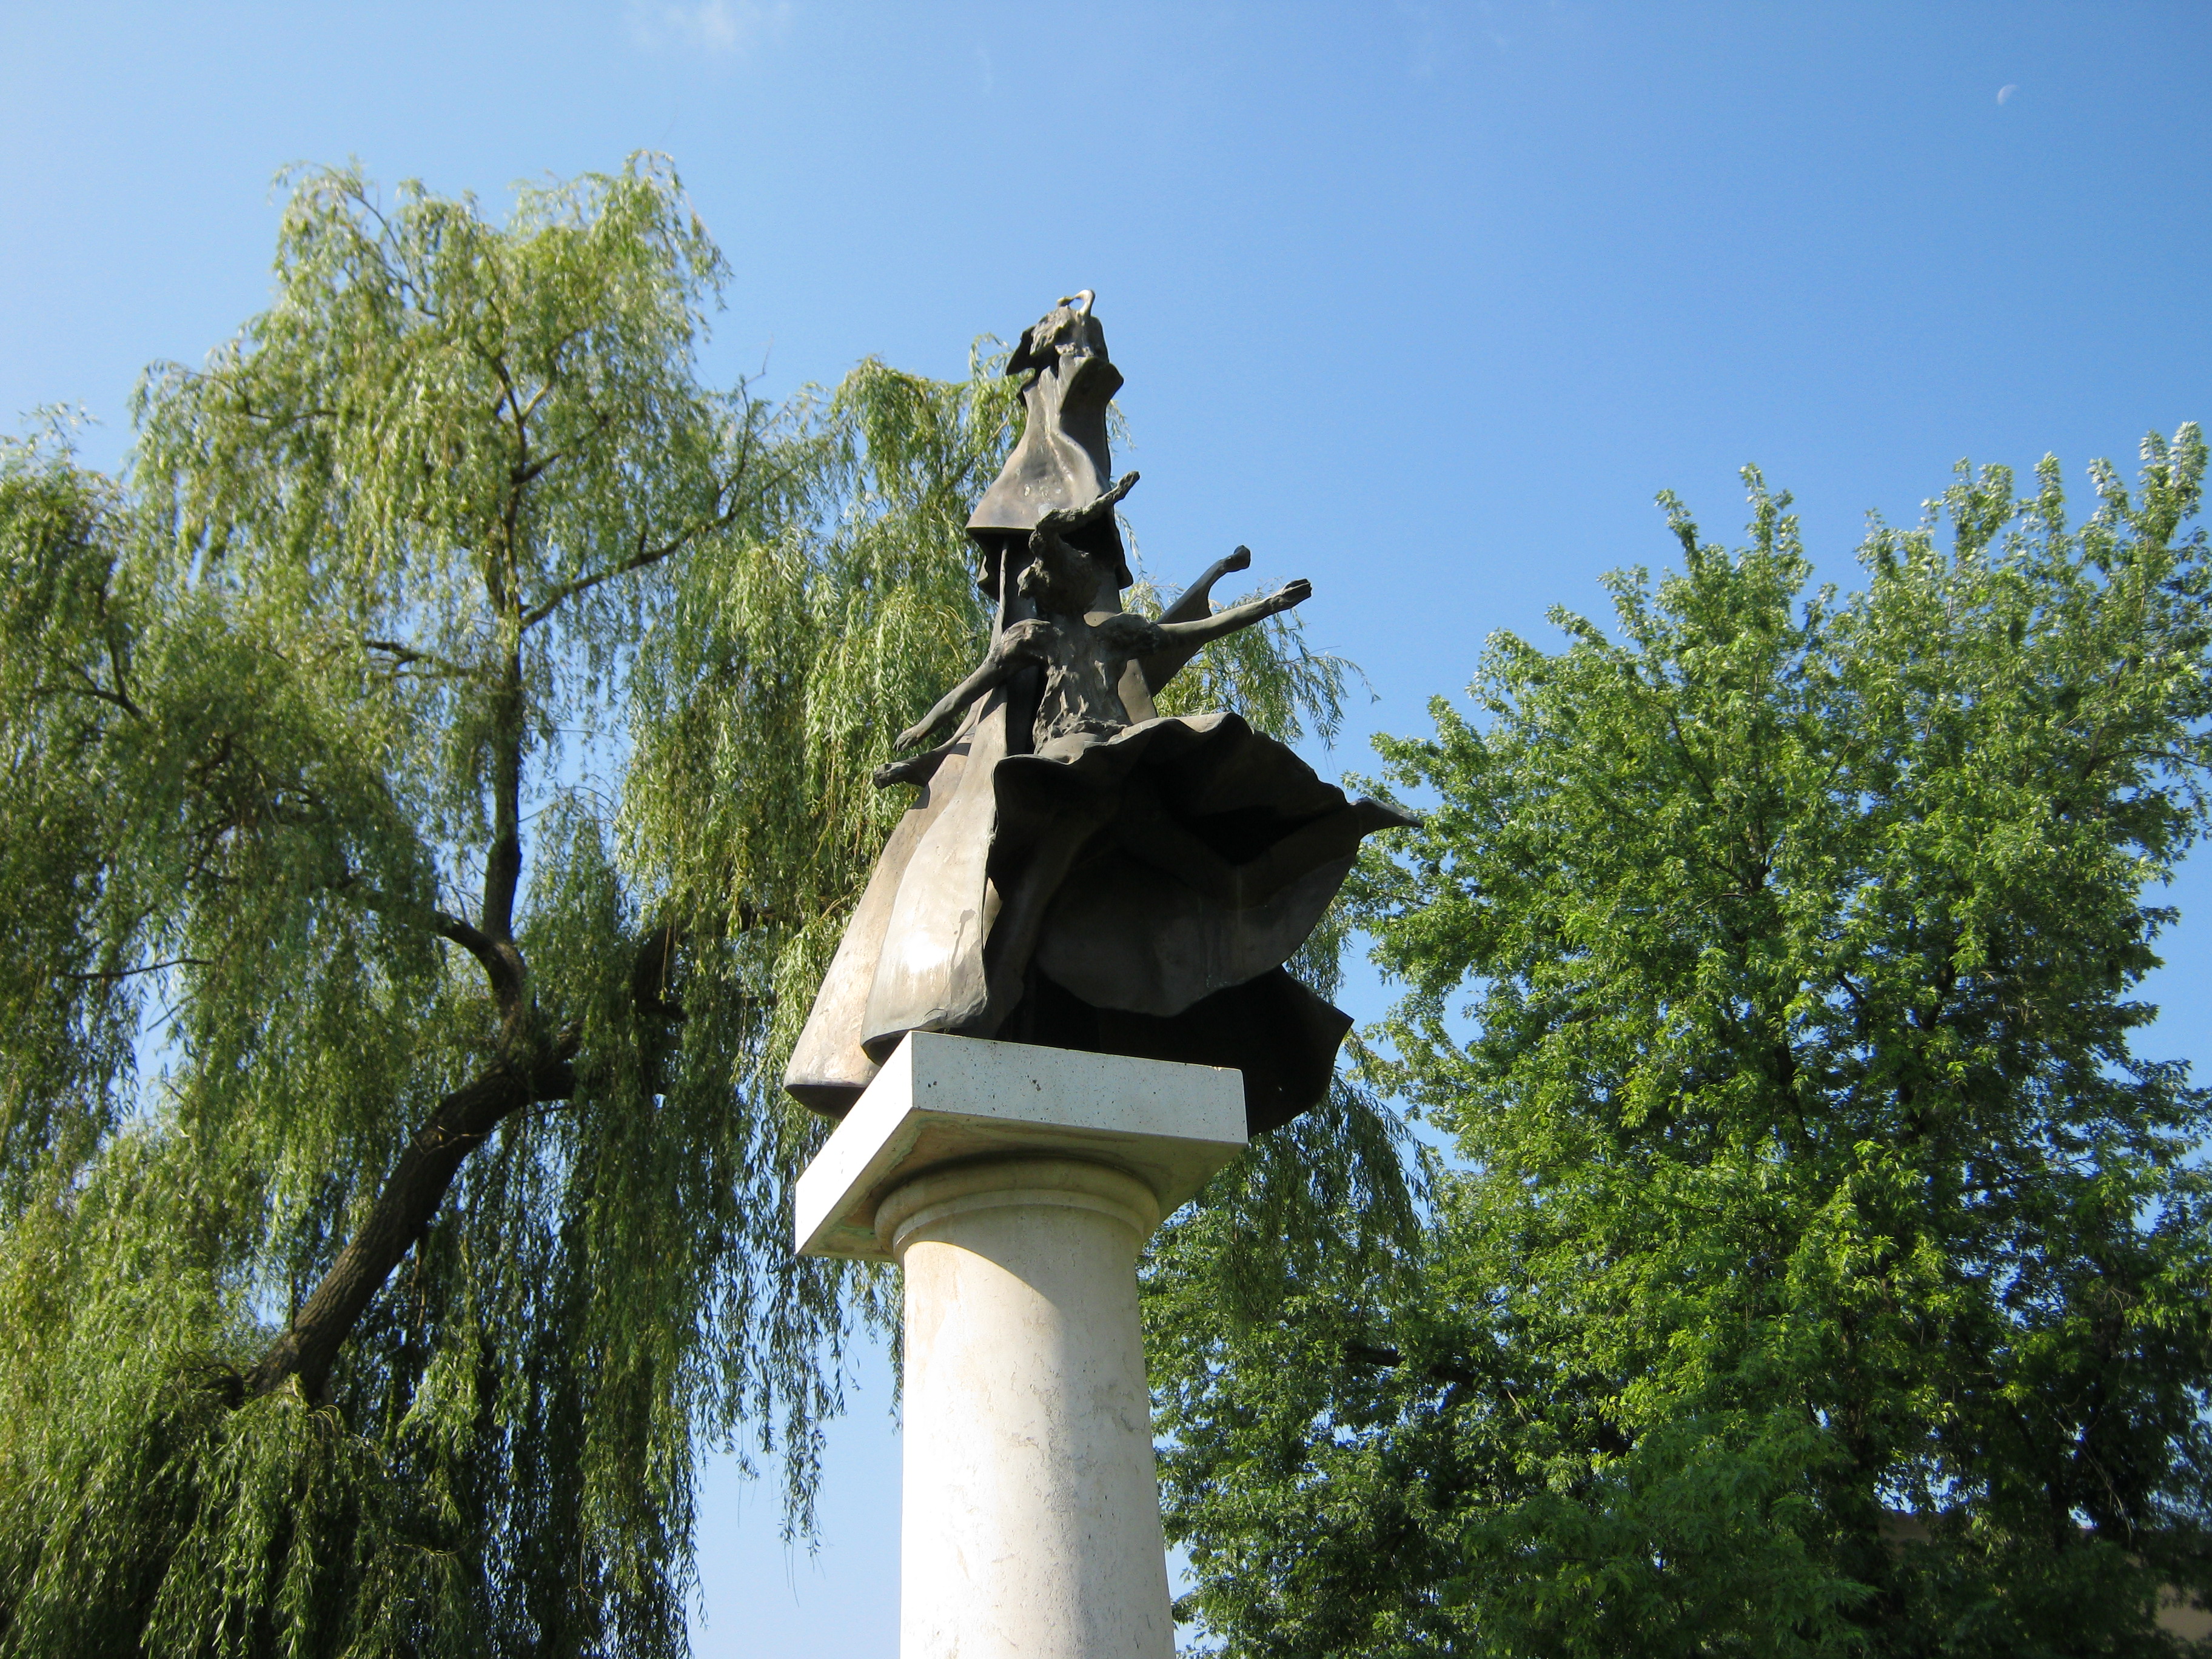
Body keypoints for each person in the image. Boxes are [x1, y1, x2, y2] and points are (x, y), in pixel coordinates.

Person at [782, 296, 1413, 1134]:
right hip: (1069, 779)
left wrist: (1259, 599)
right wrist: (918, 745)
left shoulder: (1107, 631)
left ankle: (1334, 831)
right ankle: (982, 1000)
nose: (1078, 567)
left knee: (1205, 877)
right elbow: (970, 691)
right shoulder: (1034, 638)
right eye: (1066, 560)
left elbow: (1185, 633)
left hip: (1114, 770)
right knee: (1041, 892)